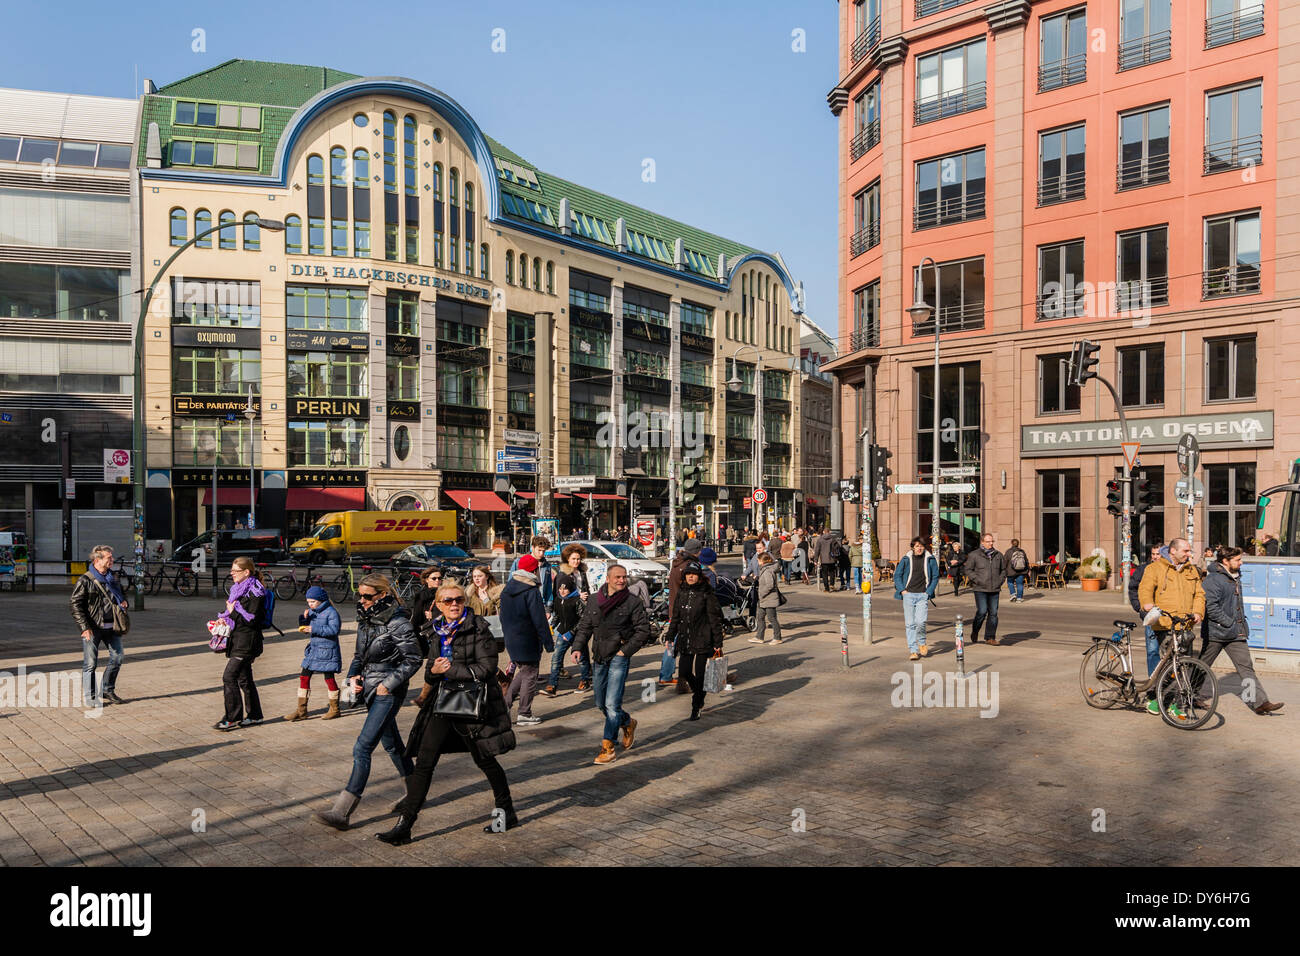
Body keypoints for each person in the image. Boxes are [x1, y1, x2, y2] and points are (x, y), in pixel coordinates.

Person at [375, 582, 518, 844]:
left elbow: (486, 670)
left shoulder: (479, 629)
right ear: (439, 605)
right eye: (448, 600)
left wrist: (448, 670)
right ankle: (405, 826)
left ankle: (506, 812)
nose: (454, 604)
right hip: (443, 705)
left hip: (474, 708)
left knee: (485, 761)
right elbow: (431, 670)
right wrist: (435, 672)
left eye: (459, 600)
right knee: (424, 764)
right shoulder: (436, 631)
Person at [316, 573, 423, 829]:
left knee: (362, 748)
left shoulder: (397, 622)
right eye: (360, 595)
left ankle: (342, 811)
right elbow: (359, 654)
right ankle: (415, 793)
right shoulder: (366, 617)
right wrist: (352, 676)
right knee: (392, 745)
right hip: (369, 687)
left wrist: (389, 684)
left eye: (367, 596)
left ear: (382, 595)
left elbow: (414, 659)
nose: (362, 600)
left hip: (388, 690)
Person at [572, 564, 650, 764]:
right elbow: (584, 627)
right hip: (599, 656)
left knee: (612, 705)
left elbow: (643, 630)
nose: (622, 580)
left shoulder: (633, 602)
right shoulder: (594, 601)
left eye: (624, 577)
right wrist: (577, 647)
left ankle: (608, 747)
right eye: (617, 577)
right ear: (608, 579)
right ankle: (628, 722)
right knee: (600, 703)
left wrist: (625, 652)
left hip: (619, 657)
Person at [1200, 547, 1283, 715]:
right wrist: (1229, 622)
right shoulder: (1214, 580)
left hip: (1235, 634)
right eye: (1237, 560)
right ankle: (1184, 696)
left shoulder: (1234, 578)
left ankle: (1259, 703)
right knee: (1201, 667)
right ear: (1225, 561)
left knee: (1246, 668)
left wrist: (1237, 626)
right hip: (1216, 633)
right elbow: (1211, 607)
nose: (1241, 562)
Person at [1138, 537, 1205, 716]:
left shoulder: (1191, 570)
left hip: (1185, 625)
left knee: (1182, 666)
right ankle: (1156, 698)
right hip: (1165, 625)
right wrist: (1147, 604)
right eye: (1186, 551)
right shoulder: (1155, 568)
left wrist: (1198, 612)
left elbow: (1199, 594)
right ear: (1173, 551)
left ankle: (1173, 703)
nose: (1189, 554)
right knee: (1167, 666)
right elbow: (1144, 589)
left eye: (1189, 551)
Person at [70, 544, 129, 707]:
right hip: (93, 628)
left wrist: (124, 602)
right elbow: (75, 604)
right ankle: (91, 697)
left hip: (112, 627)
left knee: (118, 657)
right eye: (109, 558)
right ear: (97, 560)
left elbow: (121, 594)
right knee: (90, 664)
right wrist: (84, 628)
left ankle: (107, 689)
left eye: (112, 557)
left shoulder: (114, 577)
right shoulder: (85, 580)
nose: (112, 560)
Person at [498, 554, 553, 725]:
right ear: (534, 570)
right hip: (528, 639)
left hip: (512, 638)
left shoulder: (507, 589)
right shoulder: (531, 590)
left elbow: (502, 616)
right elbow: (539, 620)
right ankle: (524, 713)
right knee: (530, 675)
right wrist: (548, 642)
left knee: (523, 672)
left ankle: (504, 707)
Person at [665, 562, 725, 721]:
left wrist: (718, 641)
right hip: (685, 639)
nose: (690, 577)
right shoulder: (682, 592)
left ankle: (696, 704)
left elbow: (715, 619)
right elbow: (676, 618)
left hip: (703, 639)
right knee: (684, 672)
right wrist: (670, 636)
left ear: (699, 576)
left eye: (694, 574)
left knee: (699, 674)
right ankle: (700, 691)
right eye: (688, 574)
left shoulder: (706, 593)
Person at [214, 557, 267, 731]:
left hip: (247, 642)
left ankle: (232, 717)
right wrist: (224, 618)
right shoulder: (237, 590)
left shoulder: (256, 592)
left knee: (229, 677)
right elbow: (233, 614)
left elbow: (252, 620)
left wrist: (232, 612)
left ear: (246, 572)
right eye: (231, 570)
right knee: (245, 679)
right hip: (237, 639)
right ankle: (255, 715)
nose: (232, 574)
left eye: (235, 571)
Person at [286, 585, 343, 721]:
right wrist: (304, 618)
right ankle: (301, 710)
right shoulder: (313, 611)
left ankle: (335, 709)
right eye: (308, 602)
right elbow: (306, 626)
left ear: (321, 600)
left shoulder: (331, 612)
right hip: (314, 651)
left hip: (327, 652)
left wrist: (314, 628)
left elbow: (334, 630)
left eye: (312, 602)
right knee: (304, 677)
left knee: (329, 678)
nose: (310, 604)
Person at [660, 537, 704, 686]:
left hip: (674, 607)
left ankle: (667, 674)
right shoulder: (689, 566)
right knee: (676, 643)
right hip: (684, 610)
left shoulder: (677, 563)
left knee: (673, 641)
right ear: (697, 552)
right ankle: (667, 675)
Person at [543, 573, 590, 696]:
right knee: (556, 659)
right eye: (560, 589)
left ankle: (585, 680)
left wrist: (572, 632)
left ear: (571, 588)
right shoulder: (558, 600)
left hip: (577, 635)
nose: (562, 591)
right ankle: (552, 685)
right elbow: (557, 616)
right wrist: (551, 626)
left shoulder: (577, 601)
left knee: (583, 659)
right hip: (562, 633)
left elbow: (583, 620)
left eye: (565, 589)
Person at [894, 537, 939, 660]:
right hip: (908, 595)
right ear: (913, 547)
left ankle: (922, 642)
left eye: (921, 546)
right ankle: (913, 650)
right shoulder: (906, 559)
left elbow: (935, 576)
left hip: (922, 595)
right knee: (910, 624)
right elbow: (897, 575)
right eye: (917, 546)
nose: (919, 548)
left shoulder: (930, 559)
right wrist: (903, 591)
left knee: (921, 622)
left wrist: (928, 592)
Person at [963, 533, 1006, 645]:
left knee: (993, 614)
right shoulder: (974, 555)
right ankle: (975, 631)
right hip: (980, 588)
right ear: (982, 542)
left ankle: (990, 637)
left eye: (992, 541)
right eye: (988, 541)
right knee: (982, 611)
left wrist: (1000, 581)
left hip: (994, 589)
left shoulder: (998, 555)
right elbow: (968, 570)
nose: (991, 543)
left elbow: (1003, 570)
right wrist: (977, 580)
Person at [1129, 542, 1163, 681]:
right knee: (1153, 651)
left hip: (1166, 616)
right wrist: (1140, 608)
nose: (1155, 557)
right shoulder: (1143, 569)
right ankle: (1153, 683)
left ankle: (1166, 684)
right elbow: (1133, 589)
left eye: (1158, 554)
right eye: (1153, 554)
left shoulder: (1169, 570)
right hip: (1151, 616)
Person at [748, 552, 784, 646]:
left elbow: (770, 585)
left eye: (758, 560)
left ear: (762, 561)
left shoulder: (768, 570)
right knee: (760, 617)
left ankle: (777, 637)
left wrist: (762, 593)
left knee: (772, 618)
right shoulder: (764, 569)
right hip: (763, 599)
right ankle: (759, 637)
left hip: (769, 598)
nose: (757, 561)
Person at [409, 566, 444, 657]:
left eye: (439, 578)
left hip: (441, 629)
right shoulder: (421, 595)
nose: (437, 580)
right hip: (426, 631)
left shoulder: (444, 593)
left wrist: (434, 615)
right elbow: (416, 617)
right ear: (427, 580)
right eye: (434, 578)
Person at [512, 536, 554, 609]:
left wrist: (548, 608)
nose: (541, 553)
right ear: (532, 547)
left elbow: (548, 587)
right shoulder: (518, 562)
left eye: (543, 551)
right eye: (539, 550)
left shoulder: (546, 566)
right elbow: (511, 583)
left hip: (540, 604)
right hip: (522, 604)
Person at [1004, 538, 1029, 603]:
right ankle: (1019, 598)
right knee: (1020, 584)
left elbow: (1005, 562)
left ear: (1011, 543)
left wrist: (1004, 570)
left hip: (1010, 571)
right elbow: (1026, 561)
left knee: (1010, 582)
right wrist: (1027, 571)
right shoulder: (1022, 551)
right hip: (1021, 571)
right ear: (1018, 544)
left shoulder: (1008, 551)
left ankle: (1013, 594)